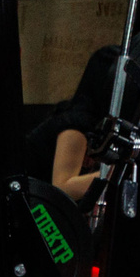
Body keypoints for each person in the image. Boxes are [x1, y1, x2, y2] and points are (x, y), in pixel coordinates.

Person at [18, 44, 119, 201]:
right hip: (27, 204)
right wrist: (122, 173)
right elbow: (63, 187)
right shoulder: (76, 124)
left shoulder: (100, 123)